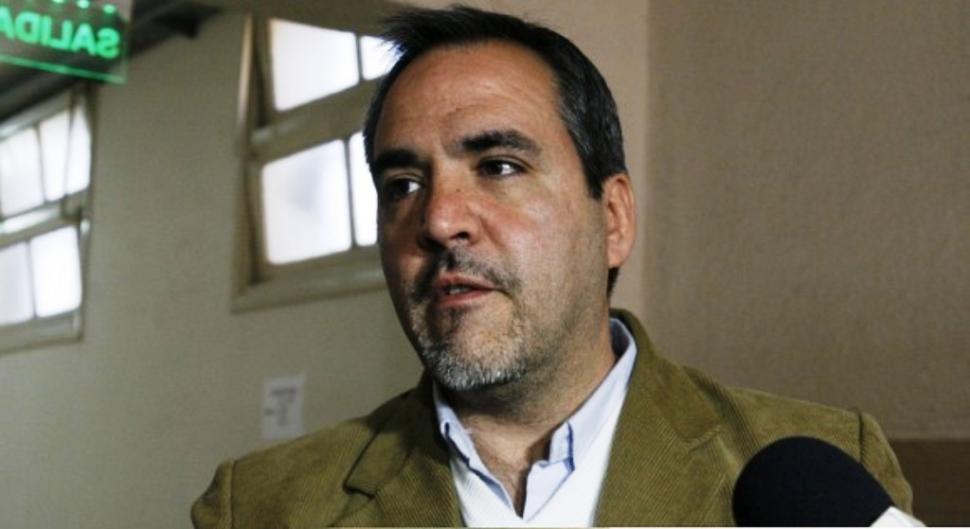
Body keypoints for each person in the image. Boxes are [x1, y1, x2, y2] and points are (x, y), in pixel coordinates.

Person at [192, 6, 912, 527]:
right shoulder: (258, 506)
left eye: (499, 166)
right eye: (402, 185)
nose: (438, 220)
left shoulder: (820, 475)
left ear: (613, 218)